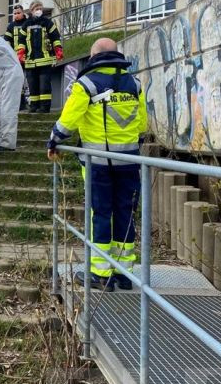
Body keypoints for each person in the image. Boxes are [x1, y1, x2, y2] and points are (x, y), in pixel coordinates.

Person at [46, 38, 147, 292]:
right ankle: (124, 273)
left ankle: (101, 275)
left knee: (101, 214)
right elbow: (142, 124)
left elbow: (69, 119)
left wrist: (54, 140)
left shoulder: (86, 84)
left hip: (98, 163)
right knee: (125, 213)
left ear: (93, 57)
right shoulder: (135, 84)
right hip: (130, 161)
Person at [17, 0, 63, 113]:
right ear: (32, 11)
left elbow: (55, 37)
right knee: (33, 86)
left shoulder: (48, 23)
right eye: (37, 9)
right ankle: (34, 106)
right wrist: (21, 52)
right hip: (30, 61)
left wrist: (58, 49)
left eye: (40, 9)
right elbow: (21, 40)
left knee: (44, 86)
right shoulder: (26, 25)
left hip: (45, 60)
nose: (39, 11)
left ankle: (44, 107)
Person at [3, 4, 29, 110]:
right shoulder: (11, 26)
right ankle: (20, 104)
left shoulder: (28, 23)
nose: (16, 15)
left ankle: (31, 103)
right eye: (14, 13)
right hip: (16, 59)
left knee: (30, 81)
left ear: (23, 13)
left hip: (29, 56)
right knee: (18, 82)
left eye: (18, 13)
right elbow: (7, 40)